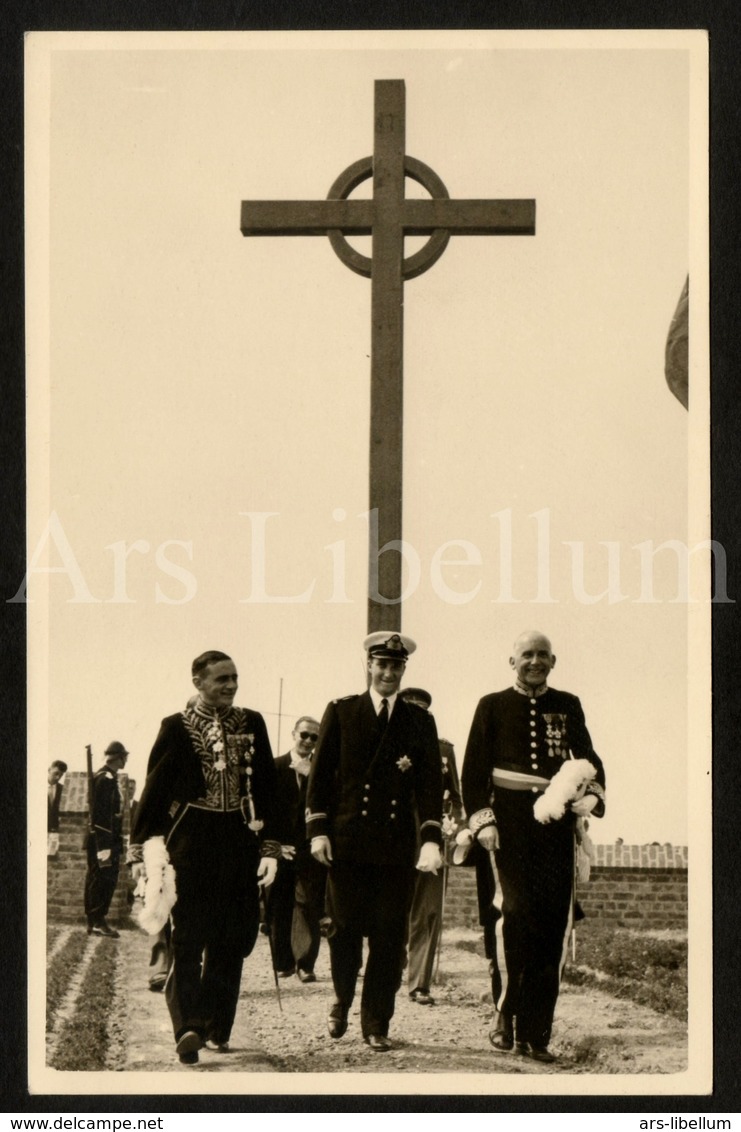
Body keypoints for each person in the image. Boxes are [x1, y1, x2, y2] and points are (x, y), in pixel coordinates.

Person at [128, 650, 280, 1065]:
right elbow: (155, 789)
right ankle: (187, 1028)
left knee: (232, 940)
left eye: (234, 678)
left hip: (239, 842)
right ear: (198, 682)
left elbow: (267, 786)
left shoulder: (253, 723)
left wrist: (270, 848)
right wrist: (139, 849)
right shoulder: (175, 727)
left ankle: (217, 1028)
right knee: (189, 938)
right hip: (192, 845)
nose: (230, 686)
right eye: (221, 679)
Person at [461, 630, 606, 1064]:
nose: (535, 661)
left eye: (543, 654)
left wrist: (593, 796)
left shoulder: (569, 705)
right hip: (506, 832)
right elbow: (472, 774)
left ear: (554, 660)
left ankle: (537, 1033)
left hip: (556, 830)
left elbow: (591, 761)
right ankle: (506, 1014)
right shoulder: (491, 705)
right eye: (527, 654)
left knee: (552, 929)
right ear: (512, 661)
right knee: (514, 917)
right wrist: (483, 821)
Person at [306, 632, 443, 1052]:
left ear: (404, 670)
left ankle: (376, 1022)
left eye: (396, 667)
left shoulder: (419, 721)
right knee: (344, 932)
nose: (388, 673)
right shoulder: (342, 712)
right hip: (348, 844)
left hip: (395, 848)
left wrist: (430, 839)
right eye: (381, 665)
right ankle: (341, 999)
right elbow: (320, 777)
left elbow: (429, 787)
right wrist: (317, 830)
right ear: (368, 665)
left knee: (389, 938)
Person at [399, 688, 463, 1007]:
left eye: (423, 711)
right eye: (410, 709)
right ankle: (388, 965)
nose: (417, 717)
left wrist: (452, 824)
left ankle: (419, 982)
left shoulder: (443, 749)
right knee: (391, 906)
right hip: (392, 834)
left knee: (428, 908)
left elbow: (455, 795)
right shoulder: (384, 738)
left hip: (430, 834)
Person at [268, 716, 326, 982]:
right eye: (304, 735)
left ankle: (305, 964)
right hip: (281, 846)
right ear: (294, 734)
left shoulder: (321, 770)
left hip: (309, 847)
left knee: (309, 904)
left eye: (315, 737)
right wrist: (274, 845)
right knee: (279, 905)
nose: (308, 741)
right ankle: (283, 962)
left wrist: (312, 776)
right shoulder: (275, 766)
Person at [84, 742, 128, 937]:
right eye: (123, 756)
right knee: (101, 879)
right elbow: (100, 815)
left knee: (102, 879)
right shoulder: (105, 779)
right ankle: (96, 921)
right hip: (103, 840)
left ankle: (95, 920)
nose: (125, 760)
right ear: (117, 758)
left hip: (106, 839)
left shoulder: (108, 778)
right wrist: (105, 845)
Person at [47, 759, 68, 857]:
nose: (58, 777)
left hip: (53, 832)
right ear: (49, 769)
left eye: (61, 775)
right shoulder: (35, 786)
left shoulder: (62, 790)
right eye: (56, 773)